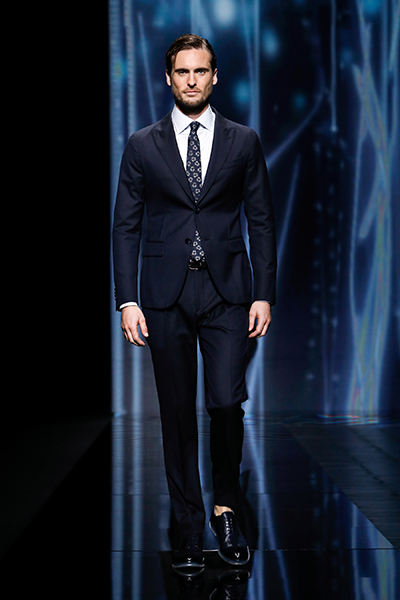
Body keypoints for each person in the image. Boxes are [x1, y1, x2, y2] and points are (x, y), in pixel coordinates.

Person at [113, 34, 277, 575]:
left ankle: (226, 509)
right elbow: (125, 225)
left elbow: (261, 220)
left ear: (214, 76)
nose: (191, 80)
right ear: (168, 78)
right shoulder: (142, 144)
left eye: (200, 71)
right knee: (177, 411)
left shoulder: (243, 141)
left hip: (228, 291)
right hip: (164, 294)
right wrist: (127, 300)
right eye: (181, 72)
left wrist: (263, 292)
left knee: (226, 402)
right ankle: (187, 524)